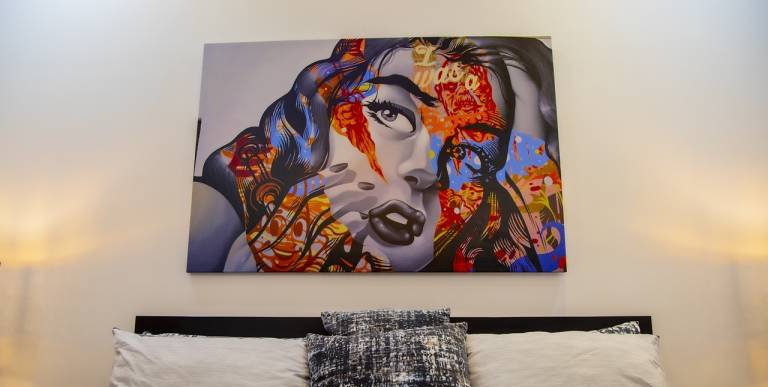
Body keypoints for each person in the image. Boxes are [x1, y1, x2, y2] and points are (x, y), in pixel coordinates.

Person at [188, 37, 565, 272]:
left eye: (471, 150)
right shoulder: (244, 192)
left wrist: (532, 159)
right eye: (391, 113)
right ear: (327, 108)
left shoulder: (487, 246)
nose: (424, 168)